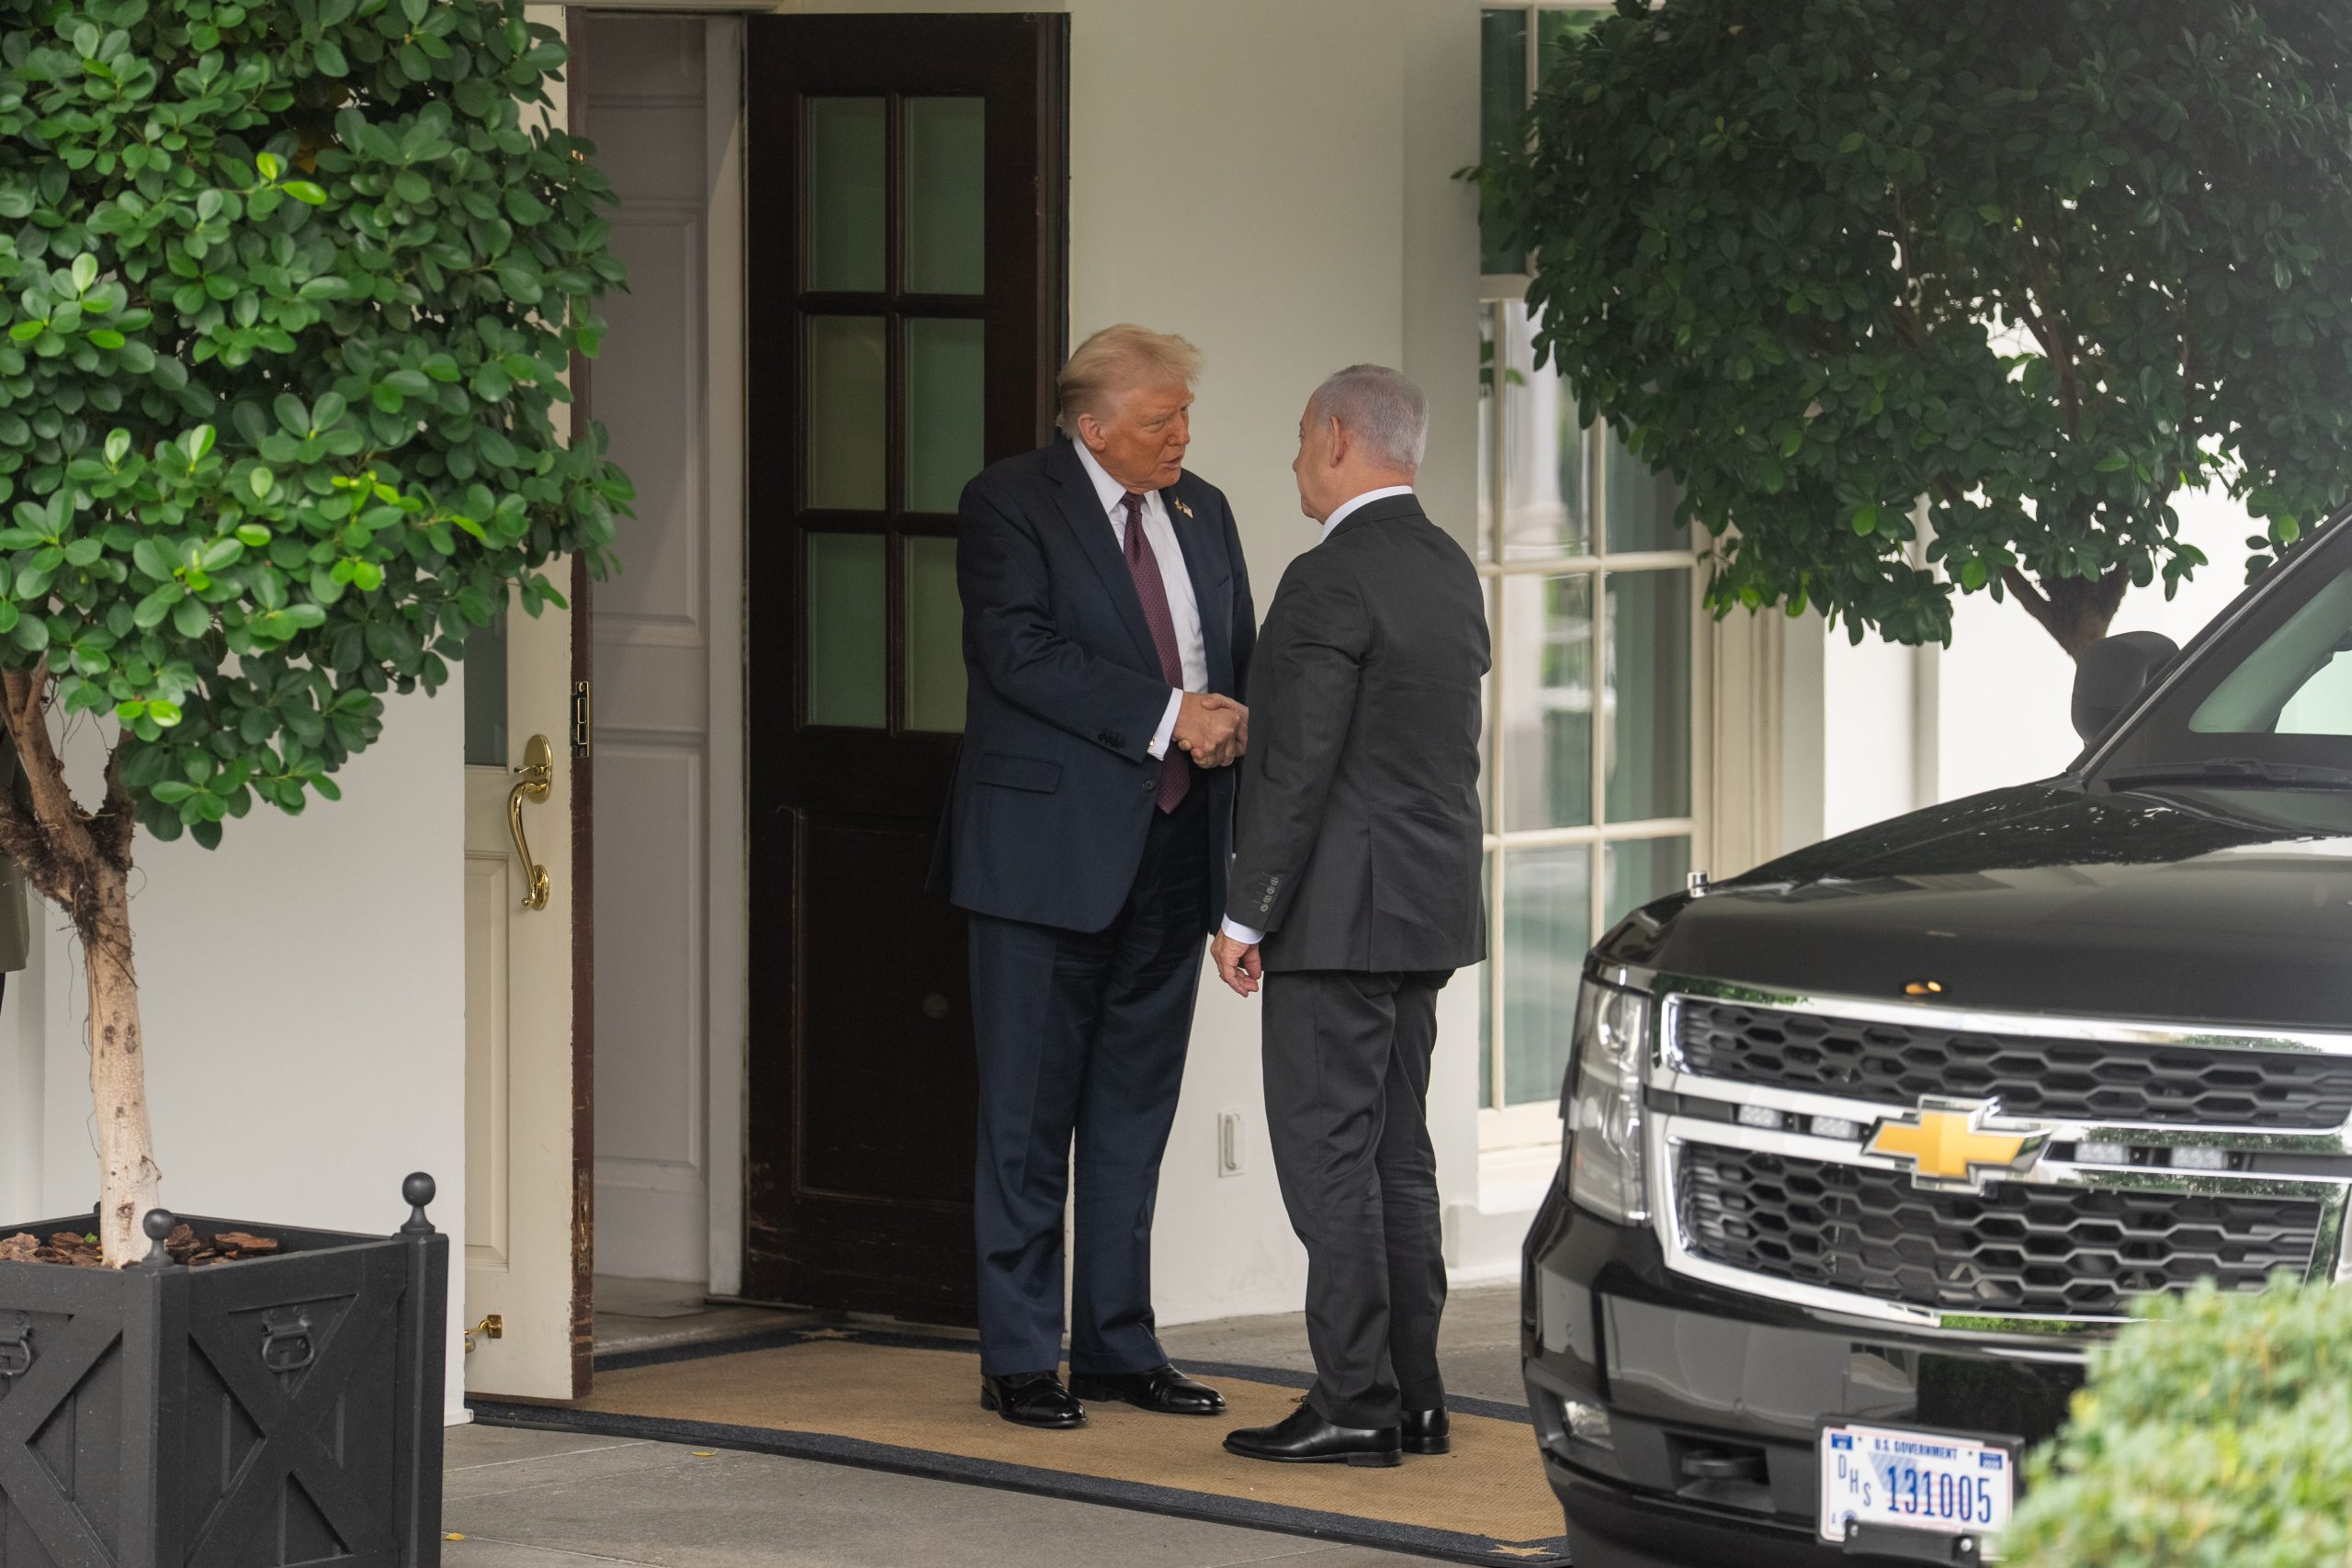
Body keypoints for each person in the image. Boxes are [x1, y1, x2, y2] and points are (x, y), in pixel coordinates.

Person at [932, 324, 1256, 1430]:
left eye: (1183, 415)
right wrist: (1170, 715)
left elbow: (1231, 656)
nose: (1181, 436)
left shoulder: (1203, 507)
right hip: (1042, 861)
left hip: (1174, 851)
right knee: (1025, 1121)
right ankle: (1021, 1355)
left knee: (1132, 1113)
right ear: (1092, 426)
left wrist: (1229, 755)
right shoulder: (1008, 502)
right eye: (1161, 419)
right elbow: (1013, 651)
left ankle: (1119, 1345)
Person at [1209, 366, 1488, 1468]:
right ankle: (1416, 1401)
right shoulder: (1445, 566)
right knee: (1395, 1158)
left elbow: (1299, 771)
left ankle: (1354, 1401)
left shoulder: (1329, 579)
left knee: (1327, 1161)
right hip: (1425, 911)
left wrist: (1244, 915)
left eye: (1294, 439)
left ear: (1334, 437)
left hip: (1336, 919)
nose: (1291, 462)